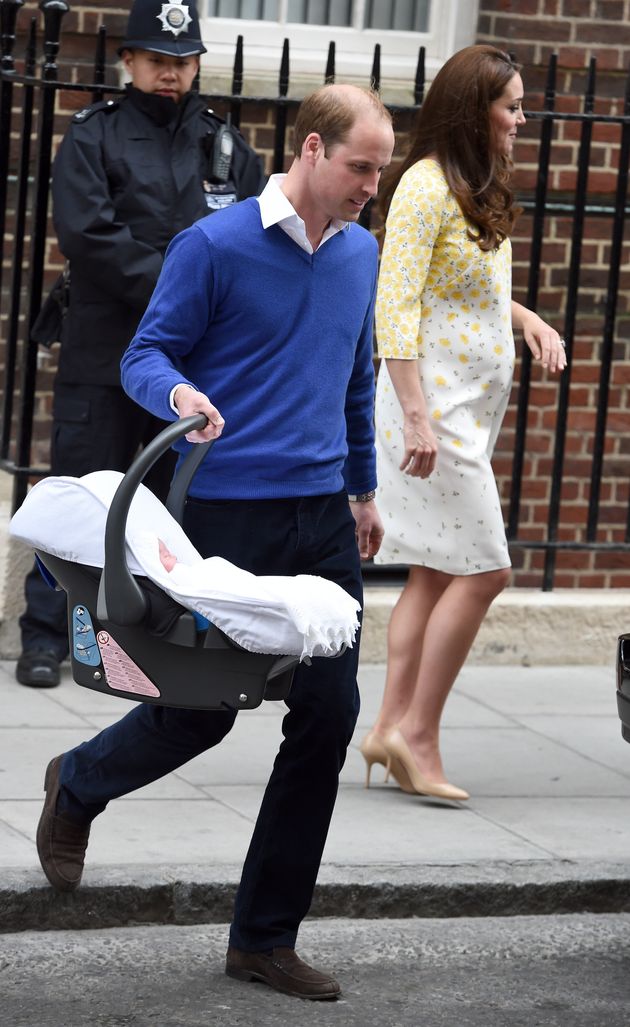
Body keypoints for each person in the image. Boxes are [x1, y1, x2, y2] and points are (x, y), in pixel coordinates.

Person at [34, 83, 395, 1000]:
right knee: (203, 707)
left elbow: (357, 377)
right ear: (311, 150)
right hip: (228, 517)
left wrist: (361, 487)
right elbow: (144, 354)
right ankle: (78, 781)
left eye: (380, 171)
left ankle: (263, 937)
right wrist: (178, 396)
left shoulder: (361, 253)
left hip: (322, 520)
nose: (371, 187)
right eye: (360, 167)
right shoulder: (216, 244)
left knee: (328, 715)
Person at [16, 0, 264, 688]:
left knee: (160, 510)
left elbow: (250, 237)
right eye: (158, 60)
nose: (171, 74)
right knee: (79, 496)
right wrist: (181, 288)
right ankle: (46, 632)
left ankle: (144, 640)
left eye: (183, 63)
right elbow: (88, 236)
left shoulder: (225, 146)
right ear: (129, 61)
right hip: (103, 352)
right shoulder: (95, 134)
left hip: (182, 367)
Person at [360, 45, 567, 802]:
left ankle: (386, 726)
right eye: (509, 105)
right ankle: (418, 736)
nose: (521, 118)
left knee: (434, 571)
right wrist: (415, 416)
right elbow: (397, 303)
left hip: (461, 413)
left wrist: (524, 317)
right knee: (489, 569)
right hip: (433, 414)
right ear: (472, 108)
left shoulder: (471, 185)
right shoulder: (421, 186)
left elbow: (466, 287)